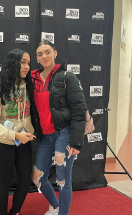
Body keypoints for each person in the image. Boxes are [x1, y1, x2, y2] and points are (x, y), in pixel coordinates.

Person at [31, 40, 88, 215]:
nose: (44, 56)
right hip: (45, 137)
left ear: (55, 53)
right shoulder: (32, 79)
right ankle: (56, 206)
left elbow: (79, 110)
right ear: (37, 57)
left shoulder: (66, 77)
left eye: (47, 52)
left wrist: (76, 142)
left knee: (63, 180)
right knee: (37, 177)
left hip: (64, 134)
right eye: (40, 54)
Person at [0, 48, 36, 215]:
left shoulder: (29, 87)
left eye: (28, 63)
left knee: (24, 182)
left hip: (24, 142)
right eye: (23, 62)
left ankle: (14, 212)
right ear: (12, 63)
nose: (27, 66)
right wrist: (15, 135)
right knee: (5, 182)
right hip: (5, 142)